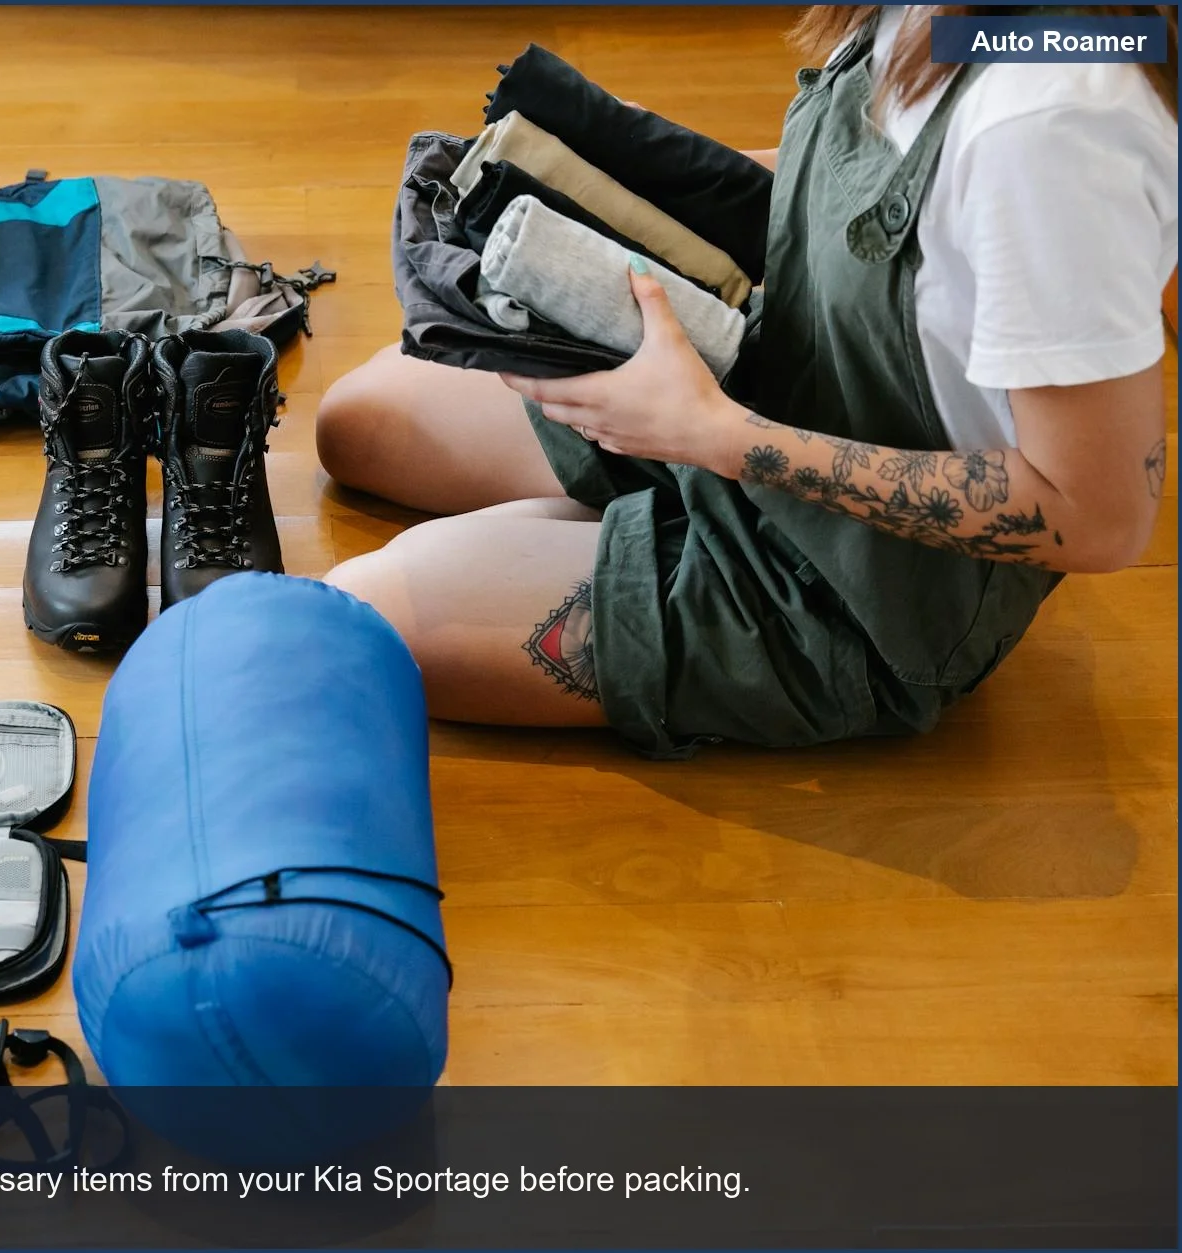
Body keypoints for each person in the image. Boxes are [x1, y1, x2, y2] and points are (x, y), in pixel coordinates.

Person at [317, 5, 1178, 757]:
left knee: (359, 621)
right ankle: (626, 520)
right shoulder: (961, 22)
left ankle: (641, 534)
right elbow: (896, 220)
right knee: (356, 424)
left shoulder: (1051, 126)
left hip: (866, 586)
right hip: (778, 375)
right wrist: (630, 163)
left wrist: (718, 440)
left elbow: (1096, 516)